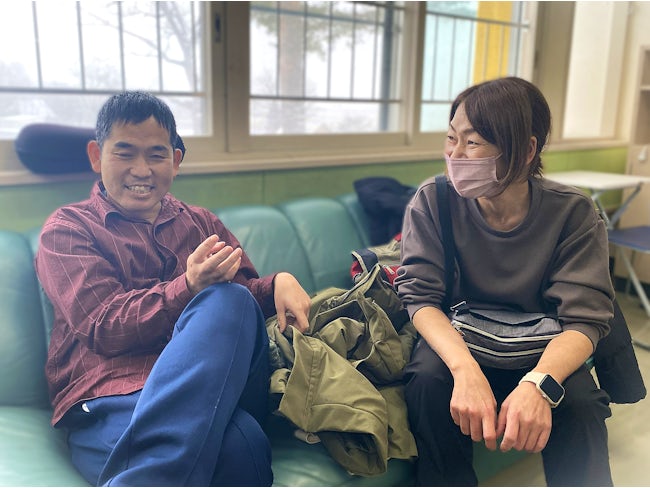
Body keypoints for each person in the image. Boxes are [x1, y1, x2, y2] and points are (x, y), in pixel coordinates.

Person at [34, 91, 311, 487]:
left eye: (156, 155)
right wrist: (188, 286)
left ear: (176, 161)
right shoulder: (68, 229)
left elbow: (238, 310)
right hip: (112, 399)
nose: (141, 170)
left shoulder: (201, 223)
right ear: (97, 156)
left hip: (213, 389)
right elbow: (101, 325)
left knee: (231, 299)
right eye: (125, 153)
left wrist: (276, 283)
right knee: (242, 445)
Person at [395, 77, 615, 486]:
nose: (454, 154)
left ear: (527, 150)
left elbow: (585, 321)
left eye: (473, 142)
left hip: (541, 347)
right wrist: (465, 370)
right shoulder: (433, 200)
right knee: (426, 383)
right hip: (461, 338)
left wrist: (539, 384)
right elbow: (420, 299)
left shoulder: (573, 213)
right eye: (451, 138)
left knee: (582, 405)